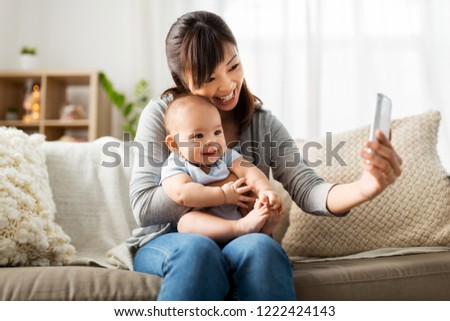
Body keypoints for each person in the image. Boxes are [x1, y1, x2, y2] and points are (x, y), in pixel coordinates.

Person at [128, 11, 403, 301]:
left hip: (243, 237)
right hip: (172, 240)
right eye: (209, 77)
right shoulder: (163, 114)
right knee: (198, 249)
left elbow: (308, 189)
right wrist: (227, 192)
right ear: (182, 80)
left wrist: (365, 187)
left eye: (233, 66)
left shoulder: (261, 123)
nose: (227, 85)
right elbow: (144, 206)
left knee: (261, 249)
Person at [161, 94, 284, 241]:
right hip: (204, 232)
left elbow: (249, 171)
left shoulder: (226, 155)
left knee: (252, 196)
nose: (212, 141)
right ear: (174, 144)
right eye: (199, 136)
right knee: (186, 222)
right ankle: (239, 228)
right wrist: (223, 195)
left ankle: (265, 225)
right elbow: (183, 194)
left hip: (237, 218)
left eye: (217, 132)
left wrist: (265, 190)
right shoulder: (175, 165)